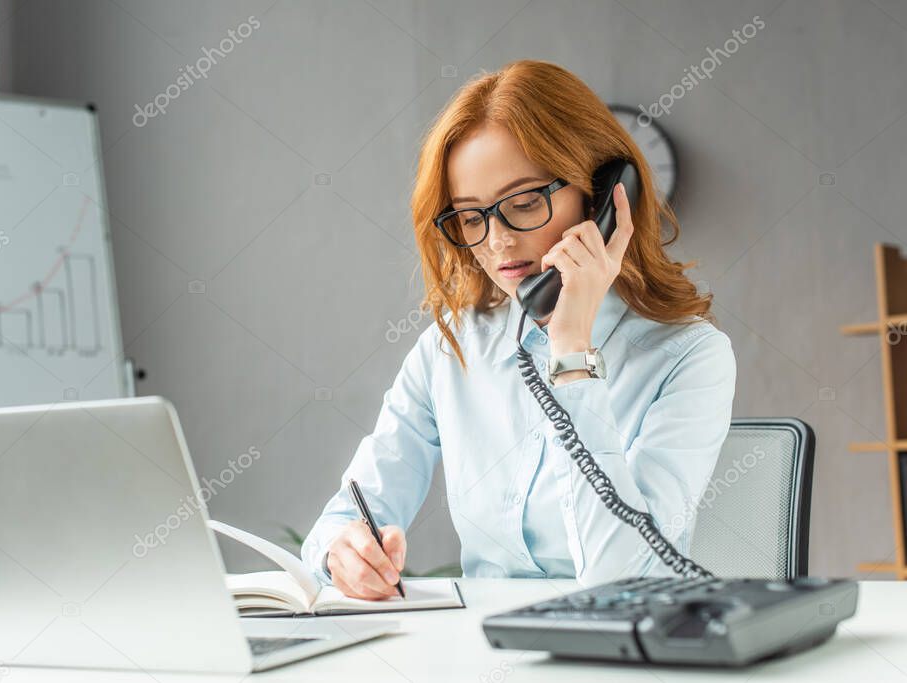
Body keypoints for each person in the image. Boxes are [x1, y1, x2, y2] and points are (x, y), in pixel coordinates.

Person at [301, 59, 736, 599]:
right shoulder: (449, 348)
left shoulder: (690, 356)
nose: (498, 241)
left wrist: (572, 349)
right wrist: (343, 552)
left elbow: (624, 578)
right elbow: (340, 520)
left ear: (601, 195)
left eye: (525, 202)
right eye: (470, 216)